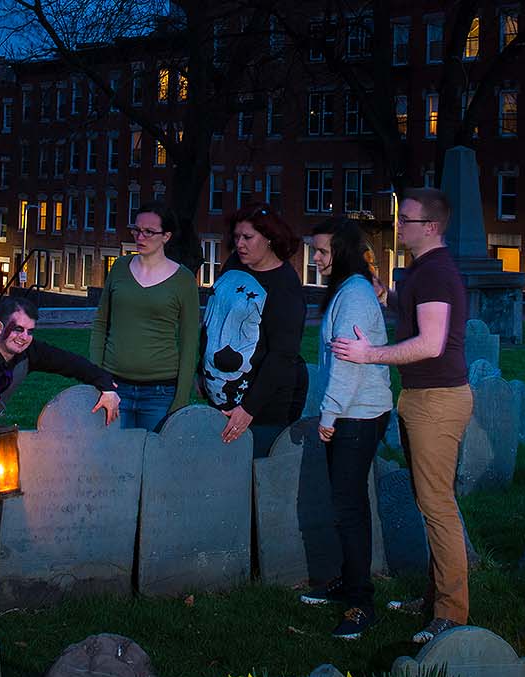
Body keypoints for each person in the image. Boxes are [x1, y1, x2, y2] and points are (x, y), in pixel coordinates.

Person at [330, 187, 472, 644]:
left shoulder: (435, 273)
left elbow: (430, 343)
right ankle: (435, 598)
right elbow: (412, 315)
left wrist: (369, 355)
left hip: (437, 399)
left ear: (430, 226)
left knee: (437, 507)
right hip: (422, 397)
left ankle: (451, 614)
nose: (399, 226)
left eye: (406, 220)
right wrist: (384, 295)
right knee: (430, 502)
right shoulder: (421, 271)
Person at [296, 218, 394, 640]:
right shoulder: (350, 290)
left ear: (343, 252)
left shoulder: (353, 295)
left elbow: (348, 362)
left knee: (349, 507)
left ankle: (360, 604)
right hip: (356, 411)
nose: (315, 258)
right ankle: (348, 582)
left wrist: (330, 414)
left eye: (321, 251)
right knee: (347, 504)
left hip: (356, 414)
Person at [0, 296, 121, 463]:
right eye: (17, 329)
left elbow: (71, 363)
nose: (24, 337)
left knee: (10, 482)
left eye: (30, 331)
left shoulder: (29, 351)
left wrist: (106, 386)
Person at [200, 203, 307, 457]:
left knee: (254, 481)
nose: (239, 244)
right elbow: (216, 317)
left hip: (262, 412)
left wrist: (248, 409)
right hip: (220, 397)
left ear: (269, 238)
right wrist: (200, 370)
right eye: (236, 237)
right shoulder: (235, 264)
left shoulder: (284, 287)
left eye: (248, 237)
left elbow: (283, 356)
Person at [90, 202, 200, 431]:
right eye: (137, 230)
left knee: (152, 461)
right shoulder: (119, 268)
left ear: (166, 236)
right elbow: (101, 324)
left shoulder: (183, 280)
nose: (140, 237)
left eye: (149, 232)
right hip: (114, 387)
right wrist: (96, 377)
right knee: (113, 461)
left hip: (160, 393)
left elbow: (189, 342)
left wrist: (180, 399)